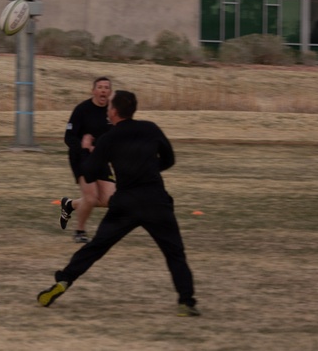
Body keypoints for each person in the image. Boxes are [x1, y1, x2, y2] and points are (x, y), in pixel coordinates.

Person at [37, 90, 200, 317]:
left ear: (113, 111)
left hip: (126, 204)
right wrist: (150, 169)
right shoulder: (150, 128)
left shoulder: (108, 138)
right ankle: (186, 302)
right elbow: (169, 159)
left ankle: (64, 279)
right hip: (156, 201)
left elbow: (90, 171)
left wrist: (88, 150)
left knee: (96, 247)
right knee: (175, 254)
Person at [58, 76, 116, 243]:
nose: (103, 90)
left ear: (110, 92)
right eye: (100, 87)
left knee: (108, 200)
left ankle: (70, 205)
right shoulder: (82, 110)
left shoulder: (112, 112)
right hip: (81, 157)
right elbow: (68, 137)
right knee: (90, 198)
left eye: (106, 87)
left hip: (101, 159)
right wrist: (85, 148)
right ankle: (79, 232)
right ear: (93, 91)